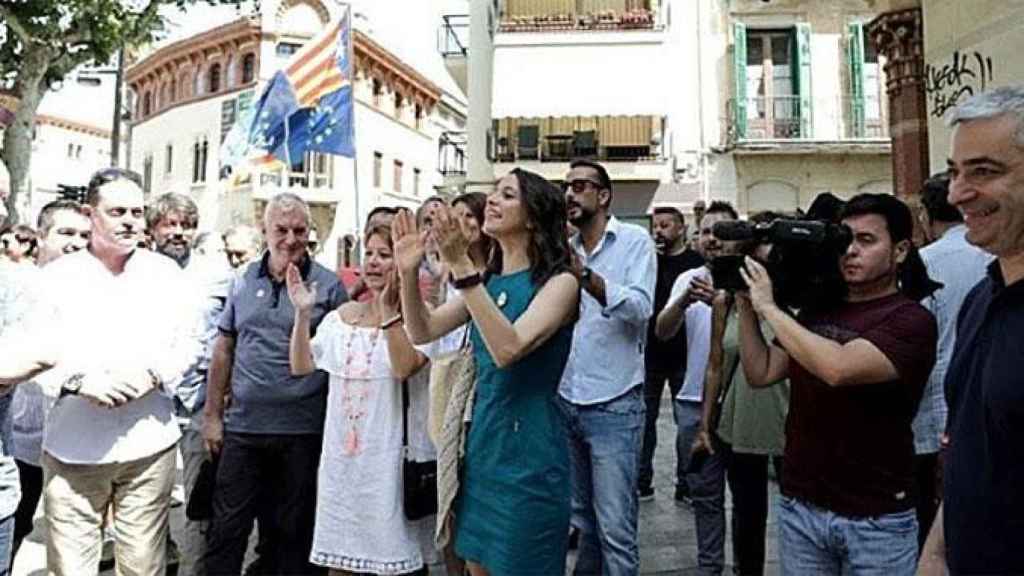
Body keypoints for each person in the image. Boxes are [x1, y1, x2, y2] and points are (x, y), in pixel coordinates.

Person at [0, 167, 200, 576]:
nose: (130, 221)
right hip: (73, 450)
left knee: (143, 567)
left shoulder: (164, 274)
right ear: (92, 215)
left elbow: (190, 342)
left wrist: (153, 374)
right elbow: (29, 354)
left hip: (148, 445)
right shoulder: (55, 279)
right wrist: (78, 382)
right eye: (118, 211)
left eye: (137, 212)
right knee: (71, 568)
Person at [738, 193, 937, 575]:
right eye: (845, 240)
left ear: (899, 251)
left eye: (867, 240)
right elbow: (760, 371)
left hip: (877, 518)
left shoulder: (911, 320)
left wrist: (770, 308)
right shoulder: (818, 310)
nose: (851, 251)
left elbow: (838, 369)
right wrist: (746, 303)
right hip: (802, 507)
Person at [395, 168, 579, 576]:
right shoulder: (490, 282)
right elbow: (422, 329)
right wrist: (407, 272)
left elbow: (507, 348)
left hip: (529, 455)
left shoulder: (561, 283)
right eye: (495, 192)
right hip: (483, 449)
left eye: (508, 195)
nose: (492, 200)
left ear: (533, 217)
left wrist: (461, 265)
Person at [203, 193, 347, 576]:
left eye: (299, 230)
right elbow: (223, 350)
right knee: (226, 532)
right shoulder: (241, 281)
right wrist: (212, 416)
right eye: (280, 229)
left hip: (302, 431)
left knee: (290, 537)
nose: (290, 238)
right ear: (264, 230)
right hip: (244, 429)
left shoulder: (330, 287)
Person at [288, 225, 437, 575]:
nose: (373, 262)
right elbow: (301, 364)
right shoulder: (341, 318)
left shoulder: (423, 316)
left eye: (384, 255)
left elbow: (404, 367)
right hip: (342, 466)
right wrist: (301, 314)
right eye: (369, 253)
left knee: (392, 564)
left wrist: (388, 313)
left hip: (389, 467)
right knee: (340, 564)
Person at [919, 85, 1024, 576]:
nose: (957, 193)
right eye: (956, 172)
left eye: (984, 171)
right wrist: (936, 553)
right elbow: (969, 448)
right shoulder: (981, 298)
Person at [560, 159, 656, 575]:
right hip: (567, 400)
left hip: (614, 405)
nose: (570, 194)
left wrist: (586, 277)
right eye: (567, 187)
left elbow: (640, 308)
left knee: (616, 528)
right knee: (584, 522)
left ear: (603, 196)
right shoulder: (564, 248)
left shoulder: (634, 241)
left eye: (581, 186)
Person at [693, 211, 790, 576]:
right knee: (748, 516)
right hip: (740, 424)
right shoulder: (727, 301)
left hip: (791, 423)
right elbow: (716, 364)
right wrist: (705, 425)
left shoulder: (799, 298)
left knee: (798, 515)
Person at [654, 201, 739, 576]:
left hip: (740, 400)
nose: (713, 239)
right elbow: (662, 330)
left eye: (722, 232)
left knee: (748, 495)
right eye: (706, 231)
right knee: (705, 495)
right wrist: (684, 300)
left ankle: (746, 564)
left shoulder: (754, 280)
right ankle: (710, 568)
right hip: (692, 402)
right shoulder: (688, 278)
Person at [7, 200, 91, 557]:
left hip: (77, 439)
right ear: (40, 237)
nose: (76, 243)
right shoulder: (18, 287)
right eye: (65, 233)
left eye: (84, 236)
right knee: (17, 521)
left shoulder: (94, 290)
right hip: (21, 439)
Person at [911, 174, 991, 550]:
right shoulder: (995, 256)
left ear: (926, 216)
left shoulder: (923, 264)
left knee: (932, 528)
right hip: (986, 417)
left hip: (931, 417)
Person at [639, 206, 703, 502]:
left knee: (686, 424)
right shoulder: (648, 261)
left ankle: (686, 483)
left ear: (681, 228)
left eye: (665, 225)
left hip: (683, 353)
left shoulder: (694, 263)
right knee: (644, 421)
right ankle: (642, 480)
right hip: (650, 353)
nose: (659, 231)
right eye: (655, 226)